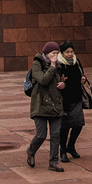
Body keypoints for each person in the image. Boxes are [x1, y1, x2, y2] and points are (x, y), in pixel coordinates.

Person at [24, 40, 67, 172]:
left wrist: (63, 84)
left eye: (57, 53)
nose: (56, 56)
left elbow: (58, 82)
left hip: (55, 105)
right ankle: (31, 151)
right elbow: (43, 80)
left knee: (55, 135)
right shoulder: (37, 64)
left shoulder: (59, 66)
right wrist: (52, 66)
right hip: (40, 104)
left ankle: (53, 162)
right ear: (47, 54)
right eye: (54, 53)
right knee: (41, 134)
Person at [57, 40, 87, 160]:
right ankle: (63, 150)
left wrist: (83, 79)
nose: (70, 54)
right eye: (67, 52)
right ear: (62, 53)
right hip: (64, 99)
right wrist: (61, 82)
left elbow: (81, 74)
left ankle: (71, 146)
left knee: (79, 124)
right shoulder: (59, 64)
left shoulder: (76, 62)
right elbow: (55, 80)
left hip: (76, 97)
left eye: (71, 51)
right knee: (65, 127)